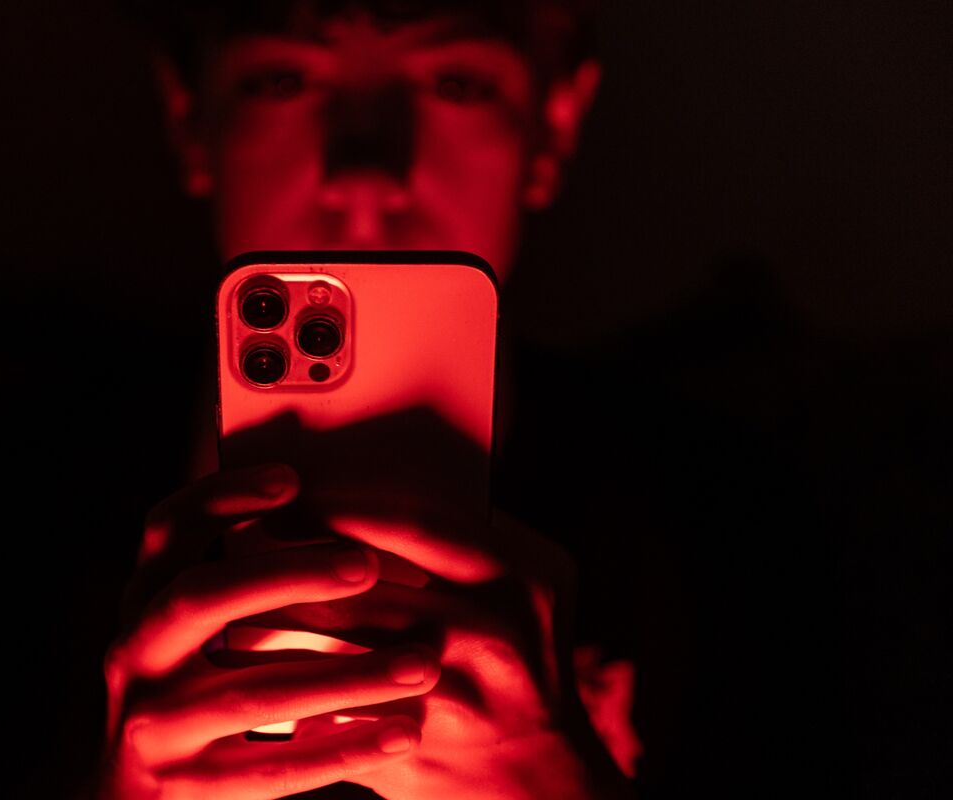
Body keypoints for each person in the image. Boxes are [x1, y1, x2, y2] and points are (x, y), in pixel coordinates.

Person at [99, 2, 640, 797]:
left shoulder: (729, 521)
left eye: (455, 83)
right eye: (281, 80)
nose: (364, 172)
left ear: (555, 122)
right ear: (189, 116)